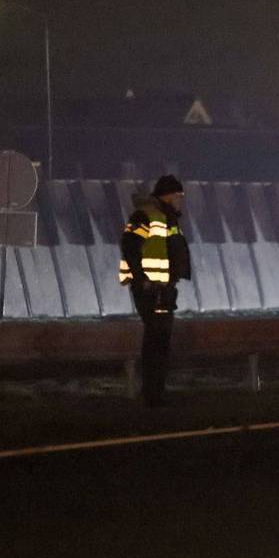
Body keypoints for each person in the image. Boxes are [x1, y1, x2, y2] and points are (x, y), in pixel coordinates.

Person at [118, 174, 191, 407]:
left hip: (163, 289)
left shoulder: (167, 218)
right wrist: (142, 280)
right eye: (179, 196)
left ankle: (156, 392)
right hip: (151, 290)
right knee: (156, 340)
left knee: (160, 340)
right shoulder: (146, 216)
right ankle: (153, 395)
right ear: (168, 195)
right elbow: (129, 245)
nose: (181, 201)